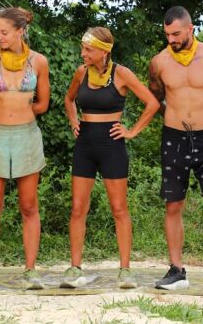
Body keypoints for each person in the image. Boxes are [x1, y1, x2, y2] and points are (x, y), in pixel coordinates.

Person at [60, 27, 160, 289]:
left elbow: (152, 103)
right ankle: (74, 268)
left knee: (119, 209)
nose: (83, 54)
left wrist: (131, 131)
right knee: (78, 208)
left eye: (88, 50)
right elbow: (69, 100)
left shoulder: (121, 73)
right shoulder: (81, 72)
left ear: (104, 51)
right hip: (85, 145)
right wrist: (73, 121)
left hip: (111, 145)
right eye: (83, 48)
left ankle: (125, 270)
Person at [147, 6, 203, 294]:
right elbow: (155, 99)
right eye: (167, 35)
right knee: (173, 204)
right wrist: (175, 119)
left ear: (190, 28)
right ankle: (176, 270)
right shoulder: (159, 62)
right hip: (174, 138)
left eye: (176, 34)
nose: (171, 39)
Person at [0, 7, 50, 291]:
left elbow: (43, 103)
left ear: (20, 31)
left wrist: (23, 110)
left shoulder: (39, 61)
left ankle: (30, 271)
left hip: (27, 137)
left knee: (29, 205)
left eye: (4, 32)